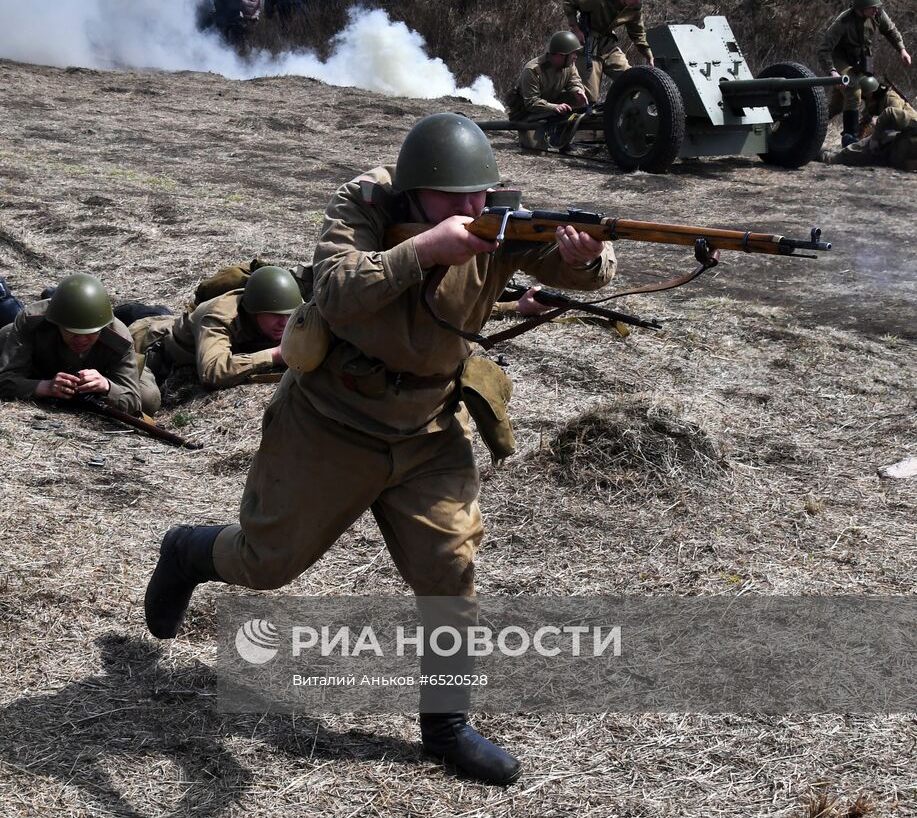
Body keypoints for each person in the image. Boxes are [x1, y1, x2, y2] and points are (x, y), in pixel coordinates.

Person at [143, 113, 616, 786]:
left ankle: (445, 727)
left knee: (450, 568)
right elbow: (332, 290)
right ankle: (187, 551)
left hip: (427, 427)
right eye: (454, 199)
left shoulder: (498, 222)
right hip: (330, 422)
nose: (472, 209)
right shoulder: (362, 205)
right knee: (266, 564)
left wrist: (584, 257)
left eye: (479, 194)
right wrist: (424, 251)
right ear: (418, 192)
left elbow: (582, 270)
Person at [0, 273, 160, 416]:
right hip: (40, 367)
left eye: (90, 333)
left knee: (148, 399)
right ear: (57, 324)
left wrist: (107, 386)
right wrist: (45, 387)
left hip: (108, 373)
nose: (81, 340)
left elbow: (133, 401)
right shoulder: (31, 322)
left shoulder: (119, 338)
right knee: (5, 334)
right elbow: (5, 381)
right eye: (73, 333)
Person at [129, 266, 303, 390]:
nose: (285, 322)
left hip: (176, 323)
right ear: (253, 311)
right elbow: (212, 372)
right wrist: (273, 355)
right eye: (276, 316)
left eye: (290, 315)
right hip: (146, 341)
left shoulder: (289, 304)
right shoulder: (219, 316)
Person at [817, 0, 912, 146]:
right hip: (842, 60)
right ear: (861, 9)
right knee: (854, 89)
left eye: (877, 7)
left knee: (839, 103)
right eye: (872, 7)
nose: (876, 10)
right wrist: (833, 72)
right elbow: (823, 50)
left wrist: (902, 50)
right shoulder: (843, 22)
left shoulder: (878, 15)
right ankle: (849, 137)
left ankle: (813, 122)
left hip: (861, 59)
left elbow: (891, 31)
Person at [563, 0, 654, 103]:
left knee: (631, 79)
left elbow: (637, 34)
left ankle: (625, 113)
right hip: (588, 43)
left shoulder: (634, 9)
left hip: (607, 44)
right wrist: (575, 29)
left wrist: (648, 55)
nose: (638, 0)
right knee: (588, 97)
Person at [505, 31, 588, 150]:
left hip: (551, 108)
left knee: (575, 97)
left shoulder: (569, 64)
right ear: (560, 55)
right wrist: (554, 107)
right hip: (529, 114)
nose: (575, 56)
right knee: (537, 150)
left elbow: (574, 81)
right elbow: (531, 103)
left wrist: (577, 90)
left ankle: (561, 137)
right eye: (573, 53)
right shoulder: (532, 70)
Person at [822, 77, 917, 169]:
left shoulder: (891, 99)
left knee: (867, 148)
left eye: (865, 96)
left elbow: (893, 118)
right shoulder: (873, 103)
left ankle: (830, 157)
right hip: (895, 138)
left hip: (899, 133)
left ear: (870, 93)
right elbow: (865, 121)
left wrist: (876, 132)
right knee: (853, 142)